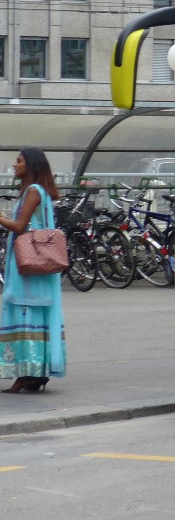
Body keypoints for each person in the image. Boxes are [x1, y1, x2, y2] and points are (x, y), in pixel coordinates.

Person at [0, 148, 67, 393]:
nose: (14, 165)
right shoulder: (42, 192)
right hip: (40, 263)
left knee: (24, 310)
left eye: (19, 161)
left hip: (28, 265)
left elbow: (19, 227)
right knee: (36, 313)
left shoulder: (32, 191)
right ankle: (36, 373)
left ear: (32, 165)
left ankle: (27, 373)